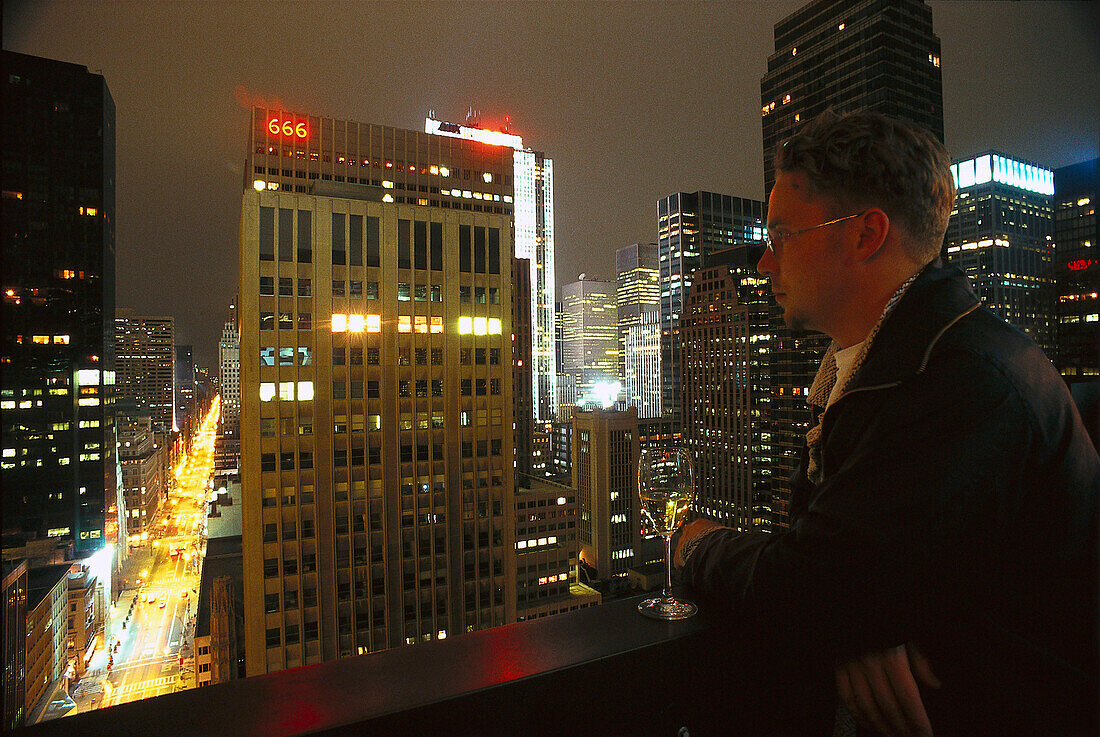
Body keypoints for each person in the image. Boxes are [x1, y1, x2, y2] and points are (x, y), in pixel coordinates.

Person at [673, 110, 1099, 736]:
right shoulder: (898, 363)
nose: (765, 263)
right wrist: (865, 619)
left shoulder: (959, 382)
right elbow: (847, 573)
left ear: (866, 235)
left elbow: (813, 585)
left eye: (783, 234)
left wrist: (697, 544)